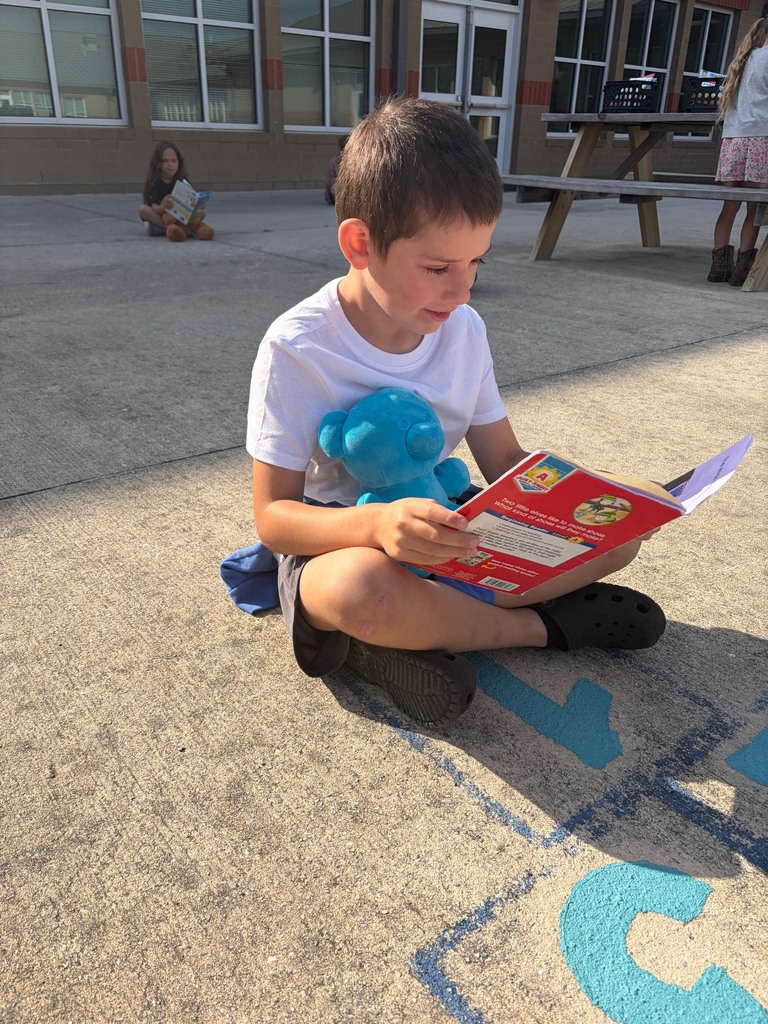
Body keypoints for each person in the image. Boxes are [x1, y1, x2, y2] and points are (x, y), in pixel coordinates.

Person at [247, 97, 666, 730]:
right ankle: (535, 629)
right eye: (439, 267)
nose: (462, 289)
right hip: (343, 538)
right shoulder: (298, 346)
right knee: (358, 589)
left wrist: (586, 500)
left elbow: (504, 462)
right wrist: (378, 526)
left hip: (448, 523)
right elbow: (274, 520)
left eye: (476, 263)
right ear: (361, 244)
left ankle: (410, 633)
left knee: (628, 520)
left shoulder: (463, 329)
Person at [708, 11, 768, 285]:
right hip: (760, 138)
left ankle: (718, 268)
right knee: (754, 208)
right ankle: (741, 270)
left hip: (733, 139)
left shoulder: (741, 62)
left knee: (729, 206)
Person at [138, 141, 189, 236]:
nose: (170, 164)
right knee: (143, 209)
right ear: (158, 163)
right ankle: (171, 228)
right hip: (161, 216)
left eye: (174, 161)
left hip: (179, 215)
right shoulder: (154, 182)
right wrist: (163, 207)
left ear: (179, 162)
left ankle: (177, 228)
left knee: (202, 212)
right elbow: (155, 207)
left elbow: (190, 199)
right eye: (166, 161)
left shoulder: (181, 180)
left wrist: (199, 205)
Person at [324, 136, 347, 205]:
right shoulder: (334, 162)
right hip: (337, 190)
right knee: (336, 186)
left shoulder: (358, 162)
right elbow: (328, 181)